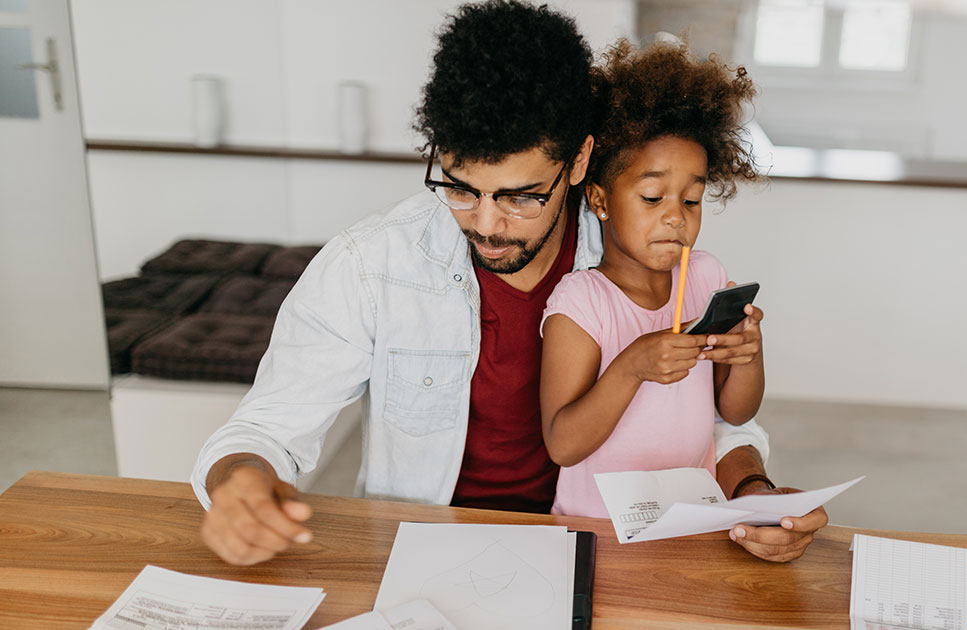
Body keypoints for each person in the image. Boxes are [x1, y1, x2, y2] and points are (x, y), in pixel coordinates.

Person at [191, 0, 826, 567]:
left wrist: (753, 494)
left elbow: (707, 415)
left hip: (605, 546)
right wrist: (239, 481)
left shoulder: (645, 254)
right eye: (461, 187)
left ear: (579, 163)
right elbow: (267, 428)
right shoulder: (373, 265)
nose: (487, 224)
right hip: (429, 545)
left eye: (521, 197)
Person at [541, 39, 766, 519]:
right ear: (600, 200)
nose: (675, 218)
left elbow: (736, 412)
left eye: (690, 200)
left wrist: (749, 354)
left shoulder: (706, 276)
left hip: (688, 514)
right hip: (596, 525)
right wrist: (632, 366)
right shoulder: (581, 301)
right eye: (651, 197)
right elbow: (562, 445)